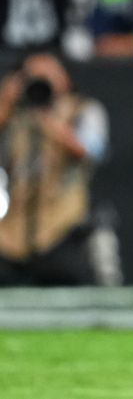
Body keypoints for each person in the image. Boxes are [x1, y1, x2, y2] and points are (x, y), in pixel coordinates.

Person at [0, 53, 108, 286]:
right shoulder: (15, 115)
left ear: (63, 78)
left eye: (46, 75)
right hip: (13, 226)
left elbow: (90, 151)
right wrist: (6, 103)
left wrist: (48, 119)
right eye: (31, 76)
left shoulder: (82, 109)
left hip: (62, 225)